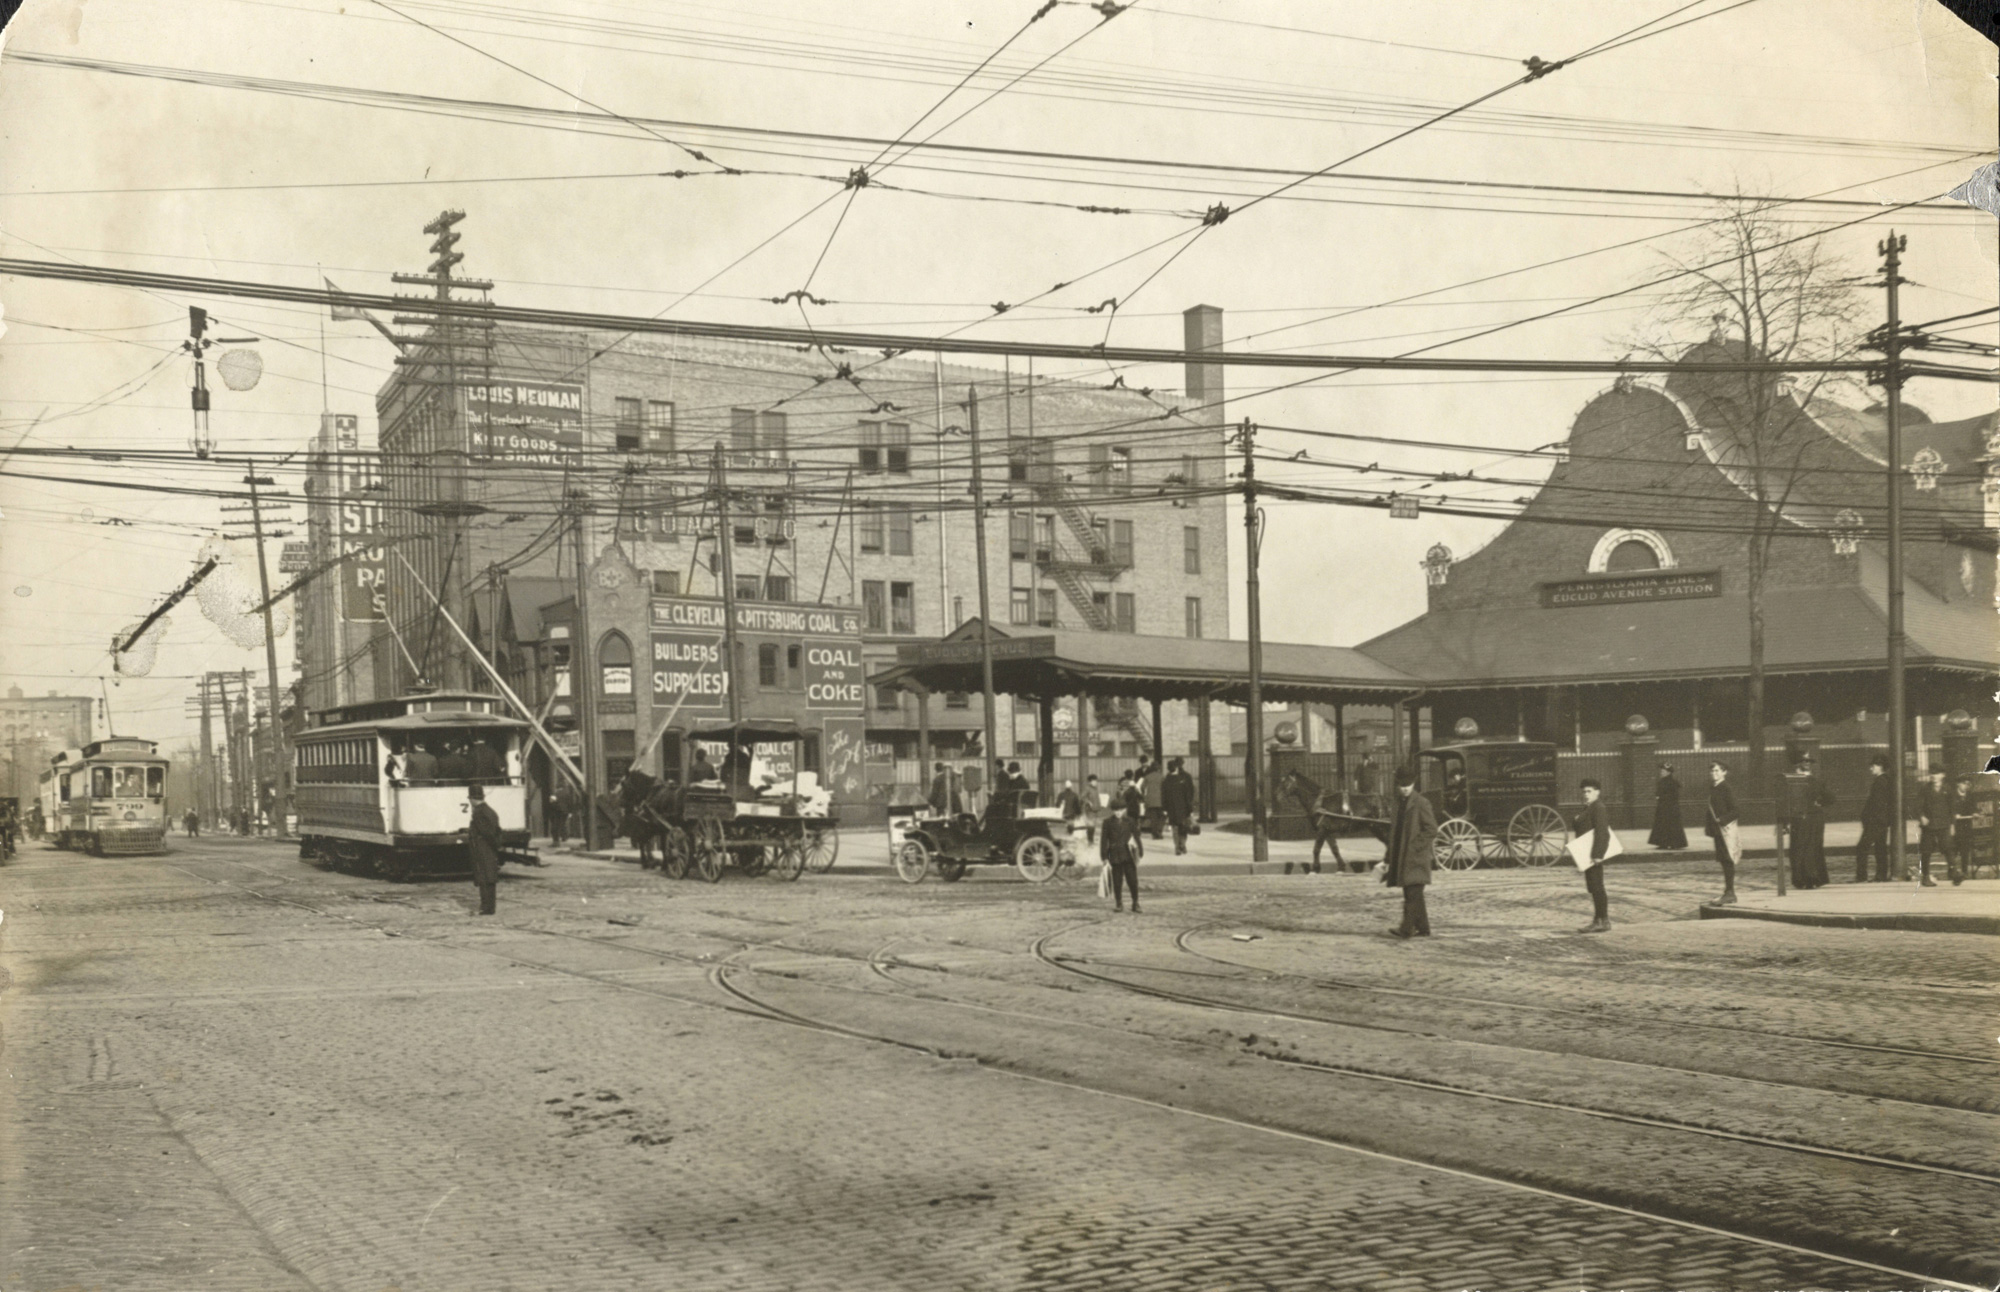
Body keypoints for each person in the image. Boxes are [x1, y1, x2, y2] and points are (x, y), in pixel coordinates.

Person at [1383, 767, 1436, 938]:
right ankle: (1423, 928)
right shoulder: (1398, 802)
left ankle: (1406, 929)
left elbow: (1431, 829)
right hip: (1402, 855)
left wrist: (1414, 847)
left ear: (1414, 784)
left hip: (1416, 857)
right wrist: (1388, 856)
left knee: (1412, 894)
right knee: (1412, 892)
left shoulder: (1421, 803)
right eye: (1402, 785)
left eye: (1408, 785)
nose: (1405, 788)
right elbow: (1394, 832)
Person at [1572, 778, 1613, 933]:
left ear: (1597, 792)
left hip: (1593, 854)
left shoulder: (1598, 807)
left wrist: (1598, 854)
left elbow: (1603, 832)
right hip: (1587, 852)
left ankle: (1602, 920)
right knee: (1594, 886)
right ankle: (1601, 920)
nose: (1585, 794)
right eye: (1583, 791)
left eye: (1589, 791)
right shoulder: (1589, 807)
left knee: (1597, 886)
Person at [1786, 756, 1831, 891]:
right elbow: (1830, 798)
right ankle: (1812, 879)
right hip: (1813, 818)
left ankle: (1804, 879)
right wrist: (1819, 803)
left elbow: (1830, 797)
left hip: (1804, 819)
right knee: (1811, 847)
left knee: (1801, 848)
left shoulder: (1799, 782)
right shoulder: (1816, 780)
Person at [1100, 794, 1144, 913]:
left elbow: (1136, 836)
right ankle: (1119, 903)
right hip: (1114, 855)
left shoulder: (1130, 821)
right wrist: (1104, 856)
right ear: (1112, 811)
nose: (1118, 813)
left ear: (1124, 810)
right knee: (1117, 881)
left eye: (1120, 810)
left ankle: (1135, 902)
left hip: (1128, 855)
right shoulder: (1107, 822)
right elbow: (1104, 840)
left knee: (1132, 880)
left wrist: (1140, 850)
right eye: (1115, 811)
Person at [1704, 762, 1739, 905]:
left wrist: (1722, 820)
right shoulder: (1715, 788)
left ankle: (1730, 893)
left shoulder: (1726, 788)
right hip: (1718, 830)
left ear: (1724, 772)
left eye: (1717, 771)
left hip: (1726, 830)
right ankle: (1728, 891)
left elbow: (1736, 810)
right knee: (1724, 860)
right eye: (1712, 771)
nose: (1714, 773)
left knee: (1727, 859)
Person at [1855, 756, 1893, 882]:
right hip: (1881, 821)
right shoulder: (1885, 780)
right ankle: (1881, 875)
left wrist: (1868, 818)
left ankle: (1861, 876)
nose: (1871, 768)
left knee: (1862, 847)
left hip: (1875, 822)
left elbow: (1877, 803)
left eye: (1874, 765)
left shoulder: (1879, 781)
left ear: (1880, 766)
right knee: (1880, 848)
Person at [466, 784, 502, 916]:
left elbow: (487, 832)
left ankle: (486, 907)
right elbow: (497, 831)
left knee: (484, 878)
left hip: (482, 848)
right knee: (489, 877)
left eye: (470, 798)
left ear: (473, 799)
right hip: (489, 849)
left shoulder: (479, 813)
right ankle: (490, 907)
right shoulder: (490, 811)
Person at [1915, 768, 1949, 888]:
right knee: (1926, 851)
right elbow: (1918, 806)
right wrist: (1921, 816)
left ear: (1942, 775)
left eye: (1937, 773)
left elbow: (1951, 806)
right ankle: (1925, 877)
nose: (1934, 776)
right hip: (1928, 825)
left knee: (1948, 847)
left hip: (1943, 824)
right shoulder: (1925, 789)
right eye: (1932, 773)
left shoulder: (1947, 789)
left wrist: (1951, 822)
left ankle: (1953, 872)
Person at [1162, 757, 1196, 856]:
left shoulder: (1166, 781)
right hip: (1183, 808)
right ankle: (1183, 844)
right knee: (1184, 828)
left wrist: (1164, 809)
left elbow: (1163, 796)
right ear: (1176, 768)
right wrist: (1190, 809)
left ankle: (1177, 847)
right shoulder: (1183, 780)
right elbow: (1188, 796)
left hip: (1171, 809)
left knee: (1175, 829)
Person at [1648, 765, 1687, 850]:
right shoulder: (1661, 781)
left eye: (1663, 771)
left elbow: (1674, 795)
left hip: (1671, 808)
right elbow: (1658, 792)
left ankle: (1674, 843)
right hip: (1663, 807)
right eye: (1661, 771)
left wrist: (1661, 797)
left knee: (1672, 825)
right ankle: (1663, 843)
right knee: (1662, 824)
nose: (1661, 772)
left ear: (1668, 772)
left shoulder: (1673, 782)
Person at [1947, 773, 1975, 886]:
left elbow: (1973, 807)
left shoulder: (1970, 796)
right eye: (1964, 783)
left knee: (1965, 849)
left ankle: (1964, 871)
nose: (1966, 786)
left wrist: (1976, 813)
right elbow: (1949, 809)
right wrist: (1954, 816)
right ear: (1958, 784)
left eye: (1968, 784)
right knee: (1953, 849)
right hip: (1955, 826)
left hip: (1966, 826)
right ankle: (1951, 871)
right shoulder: (1952, 796)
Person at [1141, 757, 1165, 840]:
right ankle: (1159, 831)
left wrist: (1145, 797)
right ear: (1158, 768)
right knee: (1161, 817)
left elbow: (1142, 787)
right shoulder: (1162, 777)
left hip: (1150, 800)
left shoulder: (1147, 777)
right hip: (1160, 800)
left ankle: (1155, 834)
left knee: (1153, 817)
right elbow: (1164, 788)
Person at [549, 777, 578, 845]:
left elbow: (552, 803)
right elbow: (570, 803)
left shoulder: (555, 793)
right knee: (562, 824)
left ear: (558, 787)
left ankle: (556, 841)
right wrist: (570, 812)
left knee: (555, 826)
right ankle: (564, 836)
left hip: (557, 811)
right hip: (565, 812)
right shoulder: (567, 793)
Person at [1079, 773, 1106, 844]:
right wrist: (1088, 802)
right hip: (1090, 811)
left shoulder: (1095, 789)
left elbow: (1097, 799)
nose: (1095, 782)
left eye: (1096, 781)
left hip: (1095, 810)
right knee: (1090, 826)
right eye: (1094, 781)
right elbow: (1082, 797)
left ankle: (1091, 840)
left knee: (1093, 826)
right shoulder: (1087, 788)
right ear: (1090, 782)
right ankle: (1090, 841)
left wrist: (1100, 805)